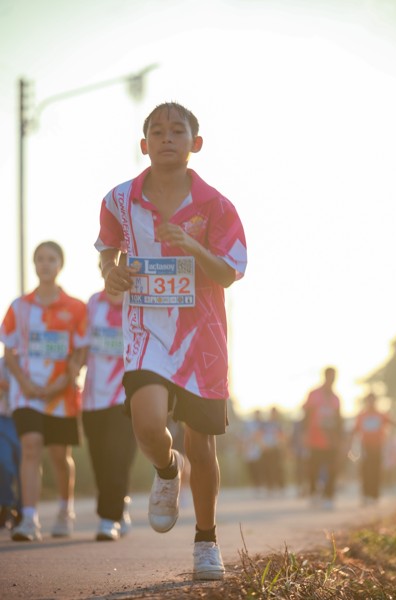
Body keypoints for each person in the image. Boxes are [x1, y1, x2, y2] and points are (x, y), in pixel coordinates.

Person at [94, 102, 247, 580]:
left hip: (202, 338)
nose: (166, 138)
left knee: (202, 446)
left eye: (177, 131)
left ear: (194, 144)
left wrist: (192, 246)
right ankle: (165, 469)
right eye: (157, 131)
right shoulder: (119, 200)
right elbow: (107, 251)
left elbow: (230, 272)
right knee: (147, 425)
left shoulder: (216, 205)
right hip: (146, 330)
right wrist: (111, 272)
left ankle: (207, 541)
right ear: (144, 145)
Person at [0, 241, 87, 541]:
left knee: (59, 456)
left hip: (60, 396)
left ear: (60, 265)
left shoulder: (76, 307)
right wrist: (25, 384)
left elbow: (80, 352)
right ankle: (29, 519)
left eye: (51, 259)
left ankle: (65, 510)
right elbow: (9, 350)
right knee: (31, 446)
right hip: (25, 393)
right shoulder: (19, 307)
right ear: (34, 264)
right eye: (40, 259)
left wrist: (59, 384)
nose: (45, 264)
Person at [82, 282, 137, 540]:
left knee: (118, 455)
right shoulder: (93, 303)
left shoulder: (137, 301)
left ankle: (108, 517)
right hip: (93, 397)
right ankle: (119, 504)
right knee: (100, 459)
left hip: (125, 394)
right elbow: (81, 344)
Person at [303, 367, 343, 509]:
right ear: (325, 376)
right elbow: (306, 415)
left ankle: (329, 496)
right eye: (330, 376)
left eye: (334, 376)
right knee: (313, 468)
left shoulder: (336, 398)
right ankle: (313, 493)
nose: (332, 379)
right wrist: (304, 433)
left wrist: (340, 439)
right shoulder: (314, 394)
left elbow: (339, 420)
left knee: (332, 468)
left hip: (331, 440)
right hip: (315, 438)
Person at [350, 392, 392, 505]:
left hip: (378, 447)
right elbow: (355, 429)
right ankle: (366, 494)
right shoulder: (362, 415)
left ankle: (374, 495)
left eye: (373, 400)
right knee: (366, 470)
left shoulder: (381, 415)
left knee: (376, 471)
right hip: (365, 447)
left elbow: (391, 423)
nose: (371, 402)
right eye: (369, 400)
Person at [0, 352, 22, 529]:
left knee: (25, 467)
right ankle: (6, 505)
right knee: (3, 461)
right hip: (4, 419)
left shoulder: (31, 363)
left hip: (25, 419)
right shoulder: (1, 364)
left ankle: (23, 510)